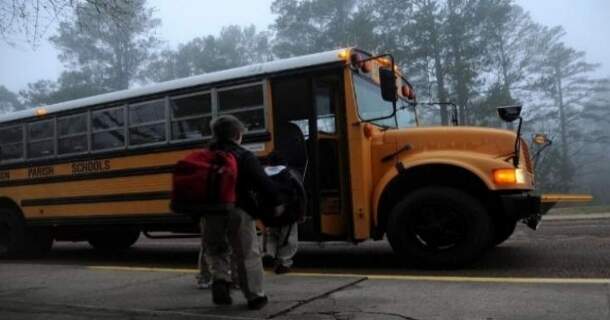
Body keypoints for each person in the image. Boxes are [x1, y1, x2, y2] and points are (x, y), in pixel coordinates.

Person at [202, 115, 283, 310]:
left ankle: (220, 279)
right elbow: (264, 184)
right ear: (237, 134)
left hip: (210, 212)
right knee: (247, 253)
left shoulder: (204, 156)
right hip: (238, 210)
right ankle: (255, 296)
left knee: (216, 249)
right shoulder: (244, 155)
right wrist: (276, 204)